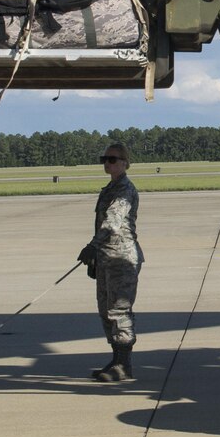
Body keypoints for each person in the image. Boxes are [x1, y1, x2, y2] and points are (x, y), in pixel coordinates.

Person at [78, 142, 143, 383]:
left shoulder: (124, 189)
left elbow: (113, 221)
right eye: (104, 159)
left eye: (113, 159)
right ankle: (116, 358)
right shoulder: (109, 188)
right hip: (107, 257)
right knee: (105, 310)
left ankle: (124, 364)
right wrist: (97, 254)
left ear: (125, 163)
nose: (107, 163)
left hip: (122, 258)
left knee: (118, 309)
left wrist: (93, 246)